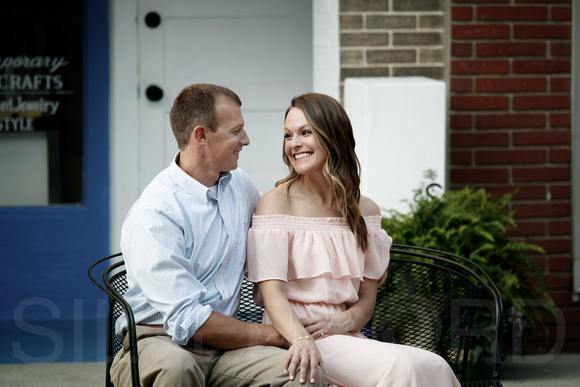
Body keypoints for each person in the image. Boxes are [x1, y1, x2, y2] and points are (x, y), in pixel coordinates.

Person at [111, 84, 325, 387]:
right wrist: (283, 334)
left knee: (304, 373)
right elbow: (188, 320)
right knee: (177, 368)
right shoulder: (156, 212)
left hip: (226, 348)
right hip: (159, 341)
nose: (246, 140)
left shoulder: (239, 185)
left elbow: (282, 233)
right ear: (201, 136)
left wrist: (357, 256)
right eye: (236, 131)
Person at [246, 93, 462, 387]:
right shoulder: (275, 203)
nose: (294, 143)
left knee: (433, 365)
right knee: (404, 367)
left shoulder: (365, 210)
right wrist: (302, 338)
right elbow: (273, 296)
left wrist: (339, 323)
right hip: (295, 338)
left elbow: (366, 301)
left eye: (305, 132)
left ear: (332, 136)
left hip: (345, 336)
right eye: (288, 135)